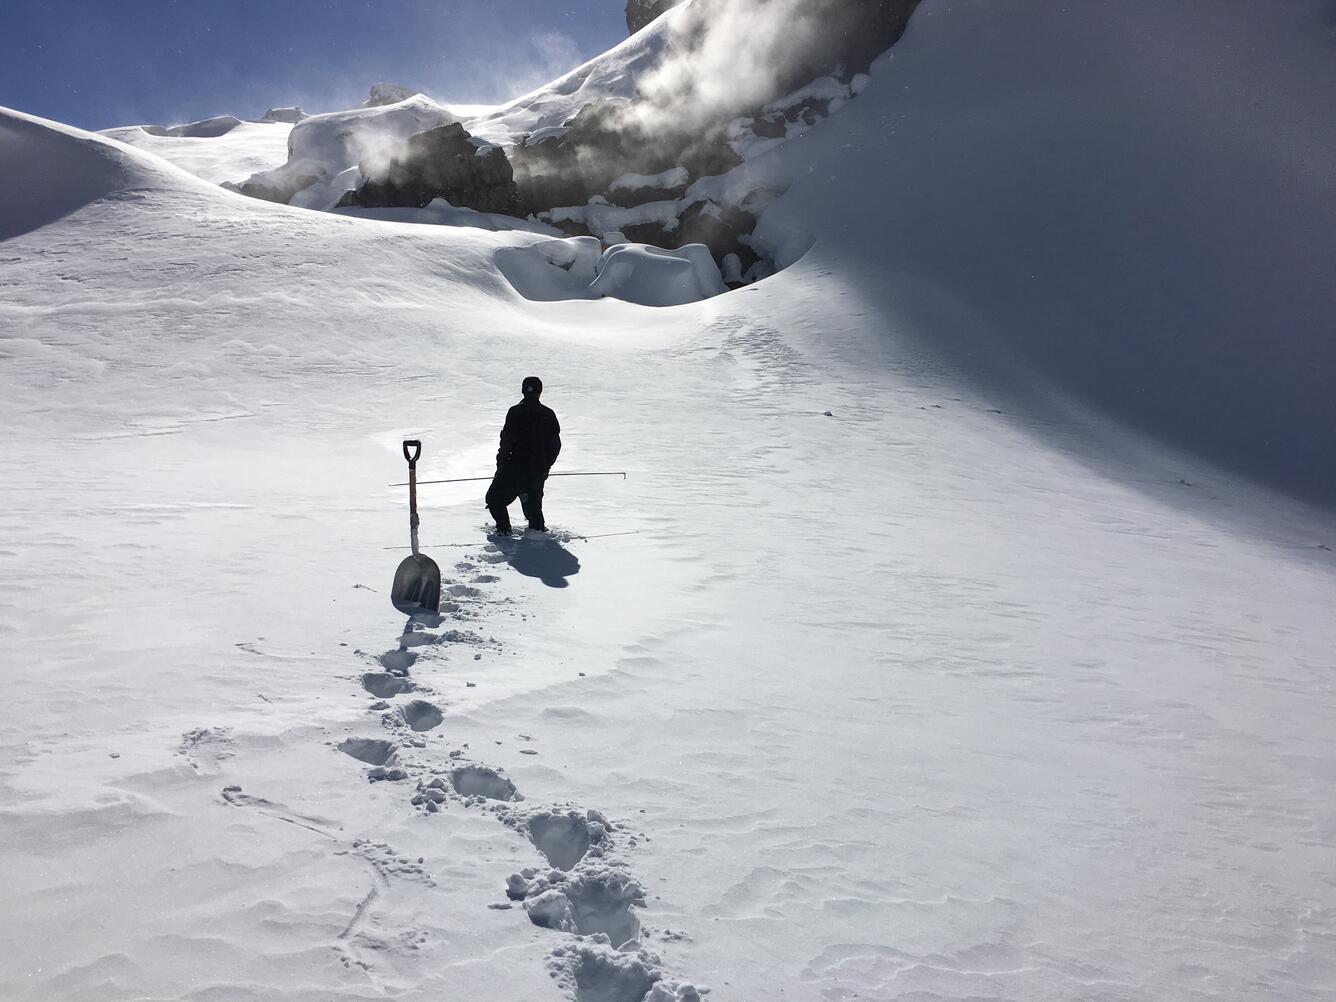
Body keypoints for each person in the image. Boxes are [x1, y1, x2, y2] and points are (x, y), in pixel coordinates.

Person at [486, 376, 561, 535]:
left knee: (494, 499)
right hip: (537, 470)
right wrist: (545, 466)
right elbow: (555, 446)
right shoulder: (548, 414)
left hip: (514, 468)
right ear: (541, 392)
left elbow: (506, 442)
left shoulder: (515, 412)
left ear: (522, 390)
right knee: (534, 510)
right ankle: (539, 539)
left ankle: (504, 531)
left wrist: (501, 466)